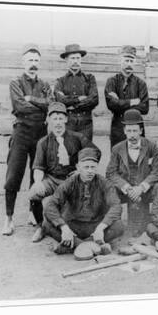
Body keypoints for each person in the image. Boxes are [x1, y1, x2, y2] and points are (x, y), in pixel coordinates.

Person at [28, 102, 97, 242]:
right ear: (48, 120)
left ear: (66, 119)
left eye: (61, 118)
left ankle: (77, 230)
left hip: (72, 179)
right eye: (54, 118)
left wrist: (81, 170)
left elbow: (95, 152)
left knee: (73, 207)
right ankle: (41, 227)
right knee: (34, 193)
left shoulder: (77, 138)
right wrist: (38, 182)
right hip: (52, 179)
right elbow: (38, 167)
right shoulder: (43, 142)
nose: (58, 122)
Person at [2, 44, 52, 236]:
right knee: (14, 174)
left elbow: (51, 103)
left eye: (36, 61)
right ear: (23, 63)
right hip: (21, 132)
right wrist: (39, 105)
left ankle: (33, 212)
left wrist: (32, 99)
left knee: (36, 175)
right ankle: (8, 218)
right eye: (30, 60)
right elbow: (20, 106)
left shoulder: (45, 85)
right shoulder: (15, 82)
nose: (33, 64)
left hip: (40, 133)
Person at [43, 147, 125, 256]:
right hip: (73, 225)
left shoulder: (104, 183)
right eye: (86, 167)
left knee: (119, 226)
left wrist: (101, 227)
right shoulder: (70, 182)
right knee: (47, 224)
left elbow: (116, 206)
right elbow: (51, 205)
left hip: (95, 226)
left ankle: (72, 246)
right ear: (78, 167)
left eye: (93, 167)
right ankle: (93, 247)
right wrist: (64, 228)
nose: (90, 171)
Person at [106, 109, 158, 236]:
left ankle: (157, 222)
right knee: (107, 191)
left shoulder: (151, 146)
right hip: (125, 190)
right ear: (124, 131)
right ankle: (112, 225)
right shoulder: (117, 149)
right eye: (129, 131)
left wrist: (142, 187)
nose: (132, 135)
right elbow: (111, 173)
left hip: (145, 189)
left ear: (141, 131)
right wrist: (126, 187)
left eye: (135, 131)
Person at [104, 45, 149, 148]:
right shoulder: (112, 81)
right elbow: (111, 104)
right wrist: (132, 102)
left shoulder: (141, 83)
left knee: (136, 159)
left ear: (135, 63)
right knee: (118, 159)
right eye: (126, 60)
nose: (129, 64)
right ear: (120, 61)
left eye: (131, 61)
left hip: (136, 128)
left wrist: (119, 102)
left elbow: (145, 108)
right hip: (118, 128)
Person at [54, 44, 99, 141]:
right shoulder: (60, 81)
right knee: (69, 152)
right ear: (66, 60)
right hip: (68, 123)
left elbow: (94, 99)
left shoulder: (90, 78)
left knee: (85, 152)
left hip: (86, 124)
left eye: (78, 58)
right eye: (72, 58)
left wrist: (72, 105)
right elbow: (60, 100)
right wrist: (78, 99)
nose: (75, 61)